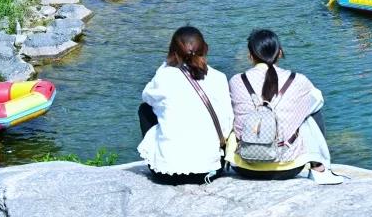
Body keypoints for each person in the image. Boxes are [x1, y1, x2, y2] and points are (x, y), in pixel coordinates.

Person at [228, 29, 341, 184]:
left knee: (232, 112)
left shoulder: (236, 81)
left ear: (250, 55)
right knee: (311, 110)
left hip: (244, 166)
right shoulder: (298, 80)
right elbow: (319, 101)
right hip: (288, 168)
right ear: (280, 53)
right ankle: (319, 168)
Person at [137, 27, 233, 185]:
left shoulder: (164, 76)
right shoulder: (219, 77)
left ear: (173, 53)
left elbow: (147, 97)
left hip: (166, 173)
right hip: (210, 170)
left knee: (145, 109)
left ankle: (162, 154)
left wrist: (165, 65)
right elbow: (227, 124)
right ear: (205, 49)